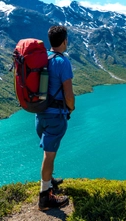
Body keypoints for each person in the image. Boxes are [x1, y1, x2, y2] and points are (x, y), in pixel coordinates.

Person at [35, 25, 75, 211]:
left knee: (47, 152)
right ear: (64, 40)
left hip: (40, 115)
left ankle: (49, 181)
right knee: (49, 156)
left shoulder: (43, 58)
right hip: (55, 116)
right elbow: (68, 93)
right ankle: (45, 197)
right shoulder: (62, 62)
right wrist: (71, 108)